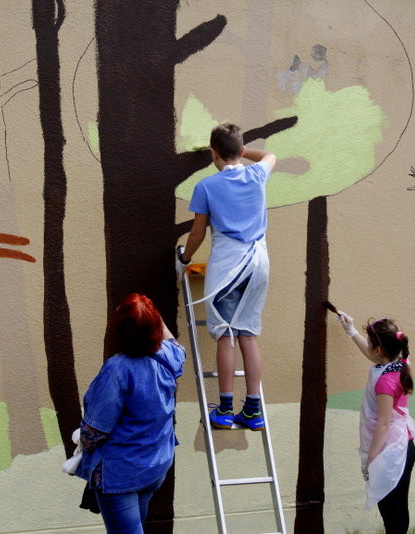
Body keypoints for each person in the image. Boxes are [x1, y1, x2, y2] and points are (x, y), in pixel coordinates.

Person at [176, 122, 276, 431]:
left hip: (229, 265)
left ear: (213, 153)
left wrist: (185, 259)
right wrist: (244, 151)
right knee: (248, 333)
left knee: (225, 334)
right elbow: (270, 155)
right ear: (241, 152)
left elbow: (197, 232)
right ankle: (254, 410)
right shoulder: (257, 173)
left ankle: (226, 408)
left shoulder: (206, 187)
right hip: (259, 262)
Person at [76, 293, 185, 534]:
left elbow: (95, 431)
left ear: (119, 330)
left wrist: (82, 440)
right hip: (154, 466)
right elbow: (176, 344)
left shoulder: (117, 370)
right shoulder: (169, 356)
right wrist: (150, 312)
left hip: (121, 473)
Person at [337, 311, 415, 534]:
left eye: (371, 344)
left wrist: (371, 460)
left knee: (391, 511)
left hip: (390, 450)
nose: (369, 349)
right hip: (402, 445)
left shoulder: (385, 382)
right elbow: (373, 355)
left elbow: (383, 424)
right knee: (398, 507)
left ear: (380, 350)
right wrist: (351, 330)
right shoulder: (400, 363)